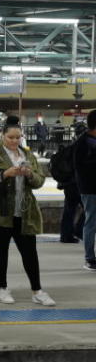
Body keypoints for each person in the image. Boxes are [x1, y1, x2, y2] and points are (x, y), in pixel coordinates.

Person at [0, 117, 55, 306]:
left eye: (18, 137)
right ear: (2, 136)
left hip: (24, 212)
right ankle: (2, 288)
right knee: (1, 250)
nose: (15, 141)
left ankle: (37, 290)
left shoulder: (27, 155)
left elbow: (40, 181)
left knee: (30, 252)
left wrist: (30, 174)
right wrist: (4, 174)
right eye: (11, 137)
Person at [75, 109, 96, 272]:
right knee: (91, 222)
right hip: (90, 189)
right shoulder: (83, 142)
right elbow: (80, 168)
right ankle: (90, 258)